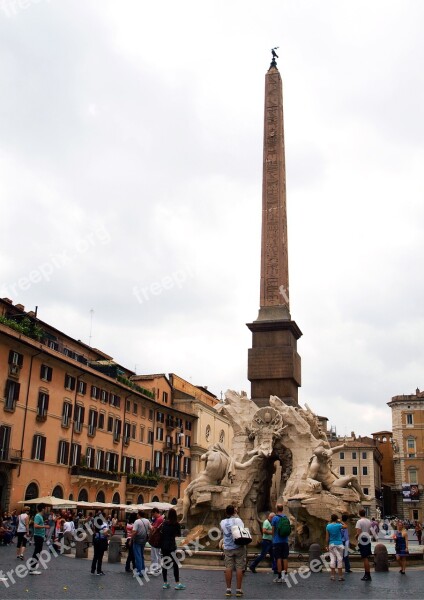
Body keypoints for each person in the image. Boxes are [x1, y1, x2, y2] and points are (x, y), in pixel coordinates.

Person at [220, 505, 245, 598]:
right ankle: (238, 590)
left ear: (226, 512)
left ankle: (228, 589)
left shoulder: (222, 522)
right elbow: (242, 529)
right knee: (239, 568)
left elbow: (224, 532)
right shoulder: (237, 520)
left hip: (227, 547)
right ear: (234, 512)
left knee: (228, 568)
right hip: (238, 546)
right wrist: (236, 515)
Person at [160, 508, 185, 590]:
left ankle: (165, 583)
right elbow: (178, 534)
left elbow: (162, 533)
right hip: (171, 546)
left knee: (165, 564)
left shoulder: (164, 523)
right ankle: (177, 583)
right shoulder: (176, 524)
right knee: (175, 565)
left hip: (164, 546)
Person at [271, 503, 290, 584]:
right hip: (285, 541)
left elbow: (273, 531)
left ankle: (279, 577)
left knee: (278, 558)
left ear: (276, 509)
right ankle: (285, 576)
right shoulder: (286, 517)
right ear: (282, 509)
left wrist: (273, 538)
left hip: (277, 541)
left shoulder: (275, 518)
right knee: (285, 558)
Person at [355, 509, 375, 581]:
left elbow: (359, 532)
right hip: (367, 539)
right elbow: (370, 531)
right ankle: (367, 574)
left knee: (365, 558)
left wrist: (356, 537)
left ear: (359, 514)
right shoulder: (368, 521)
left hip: (362, 539)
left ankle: (367, 575)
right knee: (366, 558)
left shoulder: (359, 521)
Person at [325, 514, 346, 581]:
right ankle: (340, 577)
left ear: (331, 518)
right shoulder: (339, 525)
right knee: (339, 560)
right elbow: (346, 526)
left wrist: (326, 545)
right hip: (339, 544)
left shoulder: (328, 526)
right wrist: (340, 521)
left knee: (332, 560)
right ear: (336, 519)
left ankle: (332, 576)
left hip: (332, 544)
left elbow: (327, 537)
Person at [29, 503, 48, 575]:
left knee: (37, 552)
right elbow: (35, 525)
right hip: (38, 536)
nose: (46, 510)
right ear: (43, 509)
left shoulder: (40, 516)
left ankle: (32, 567)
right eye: (45, 508)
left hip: (40, 536)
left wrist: (43, 525)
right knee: (37, 552)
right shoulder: (38, 516)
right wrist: (44, 526)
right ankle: (32, 569)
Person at [131, 509, 151, 576]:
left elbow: (134, 532)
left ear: (138, 515)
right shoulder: (147, 521)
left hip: (137, 540)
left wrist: (131, 539)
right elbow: (151, 528)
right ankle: (143, 569)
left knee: (138, 556)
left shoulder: (137, 521)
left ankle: (139, 571)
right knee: (141, 555)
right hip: (144, 540)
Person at [149, 508, 164, 574]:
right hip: (158, 539)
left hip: (155, 539)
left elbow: (154, 529)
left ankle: (154, 569)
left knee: (154, 555)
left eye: (153, 514)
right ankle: (158, 569)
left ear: (155, 512)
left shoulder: (159, 519)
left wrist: (150, 527)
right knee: (158, 554)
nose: (153, 516)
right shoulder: (161, 518)